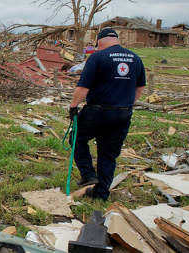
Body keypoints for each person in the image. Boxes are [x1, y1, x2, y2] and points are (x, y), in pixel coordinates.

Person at [69, 27, 146, 200]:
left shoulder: (97, 56)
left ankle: (88, 174)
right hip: (122, 113)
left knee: (77, 138)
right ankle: (101, 194)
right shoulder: (135, 58)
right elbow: (140, 87)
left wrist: (74, 106)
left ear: (100, 42)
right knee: (108, 153)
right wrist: (127, 103)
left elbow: (83, 87)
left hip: (97, 111)